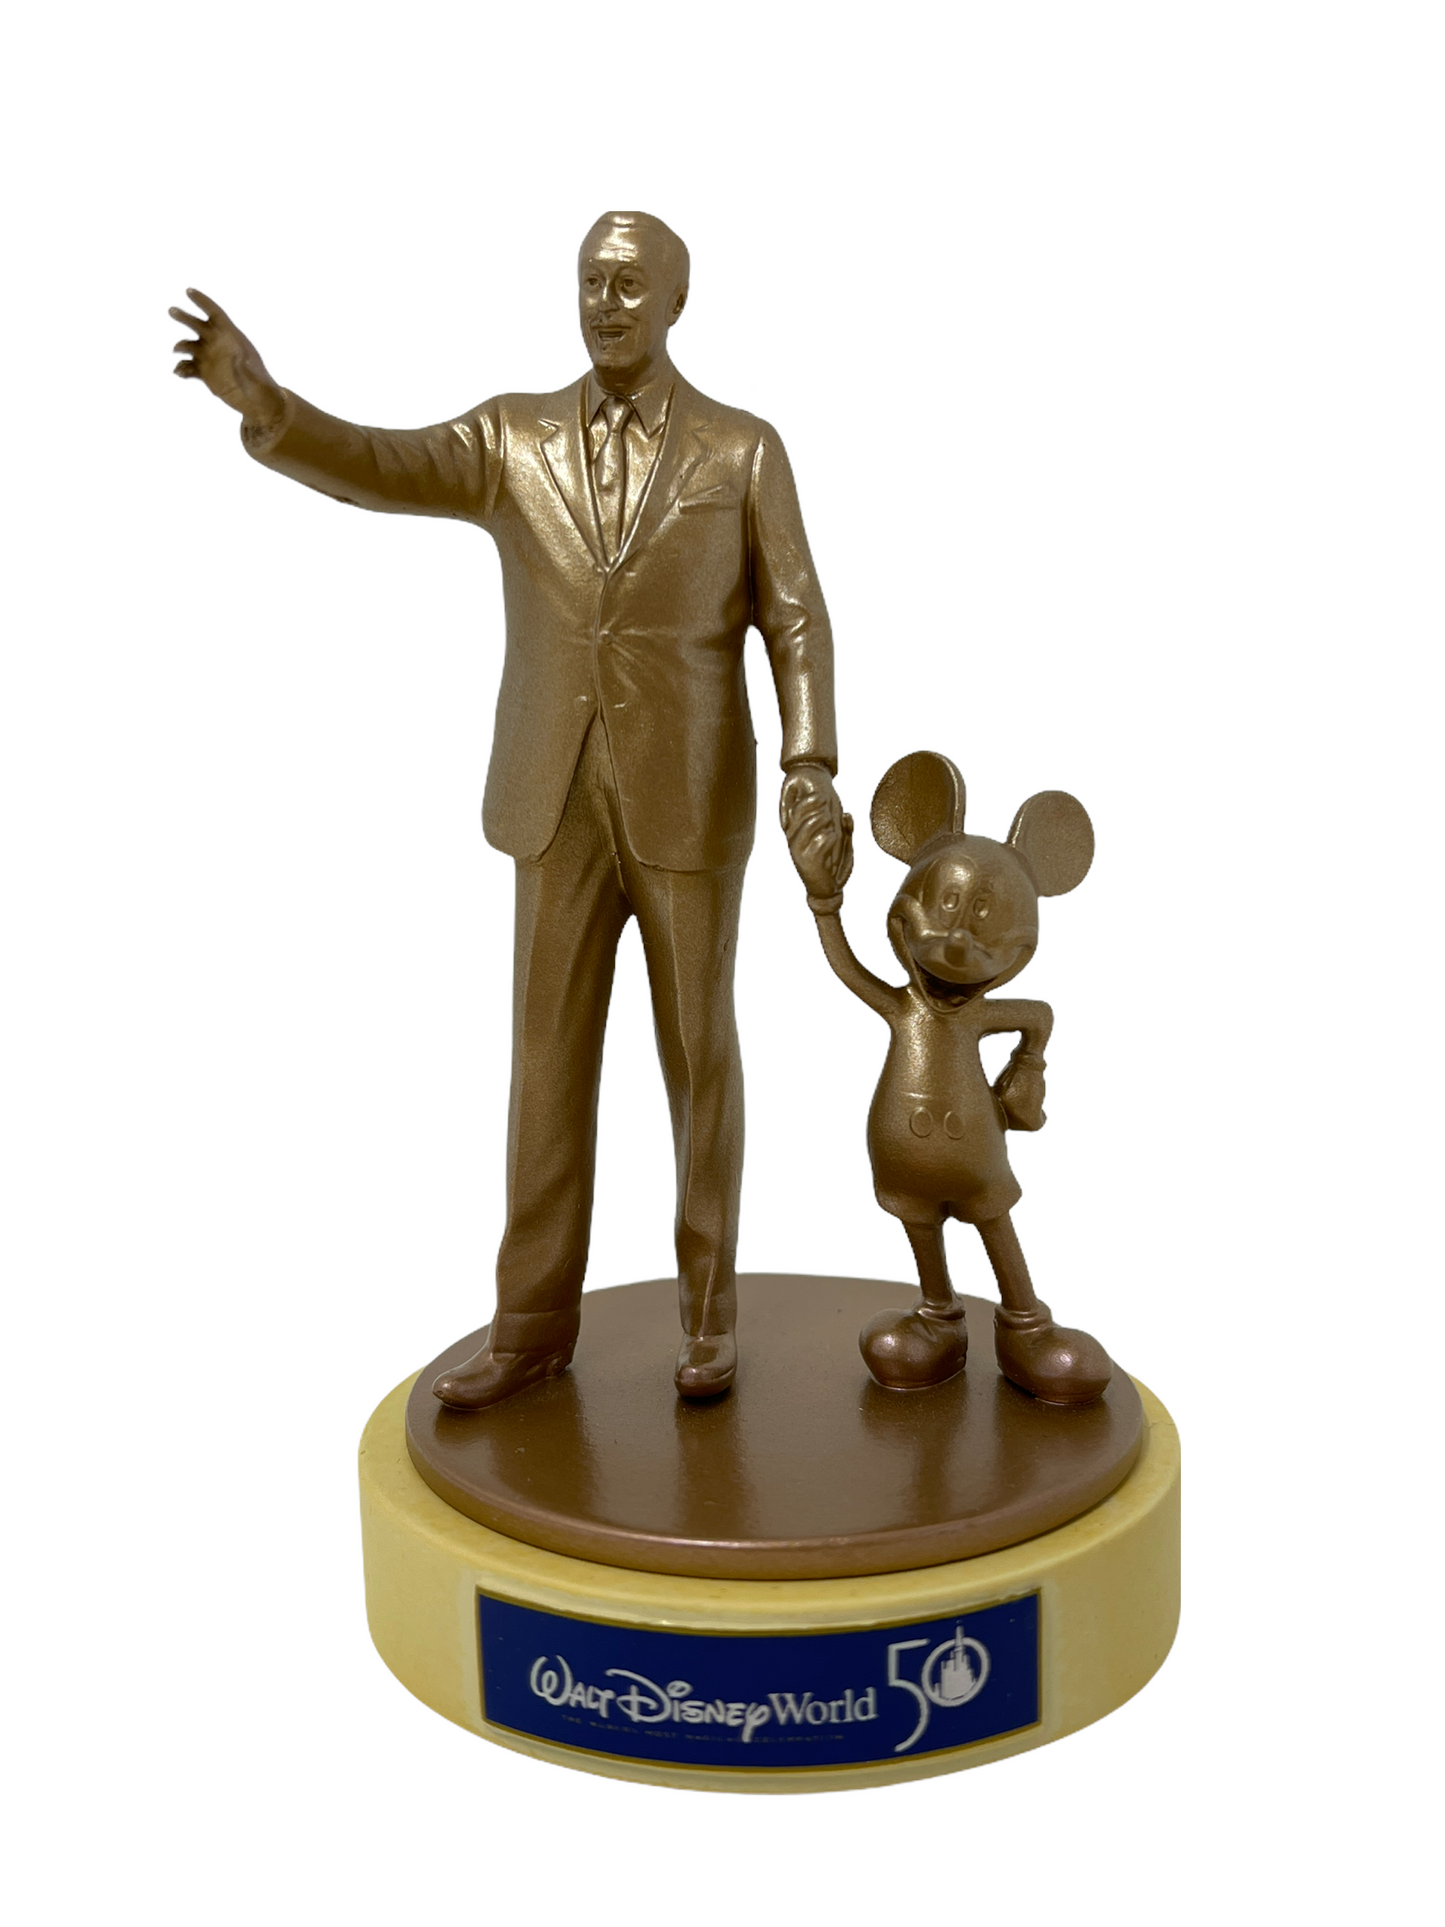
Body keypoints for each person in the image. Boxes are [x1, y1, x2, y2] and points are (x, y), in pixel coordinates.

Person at [172, 211, 850, 1406]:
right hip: (551, 800)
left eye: (629, 284)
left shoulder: (742, 450)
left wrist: (809, 762)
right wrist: (269, 407)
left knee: (698, 1062)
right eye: (589, 281)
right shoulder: (510, 438)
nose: (605, 303)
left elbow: (794, 615)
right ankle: (530, 1326)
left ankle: (707, 1318)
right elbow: (384, 464)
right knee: (543, 1067)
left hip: (690, 797)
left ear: (677, 302)